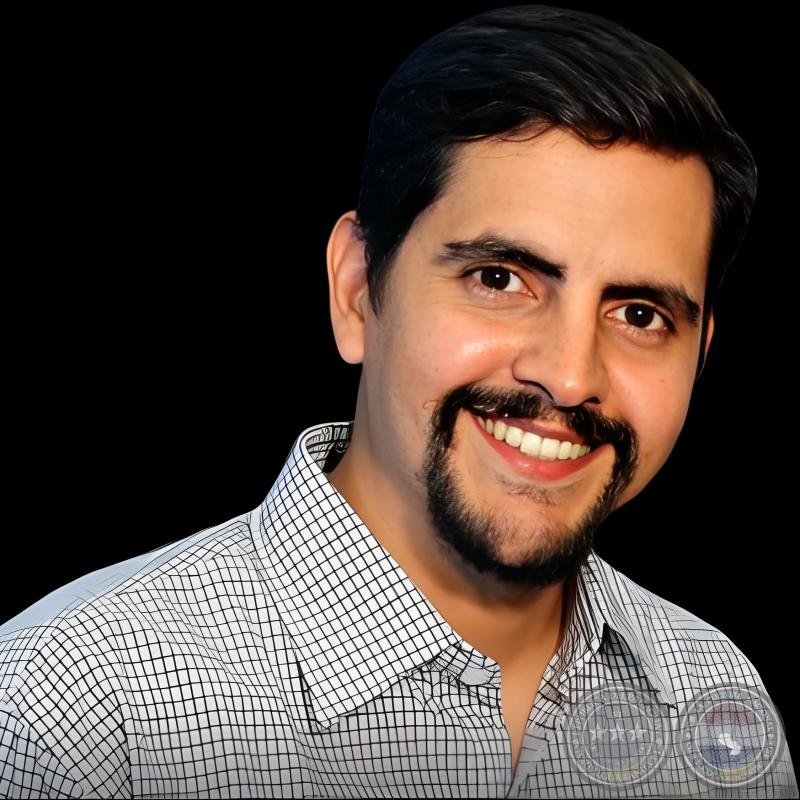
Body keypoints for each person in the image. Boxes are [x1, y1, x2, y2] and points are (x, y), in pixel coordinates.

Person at [1, 5, 796, 798]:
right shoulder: (71, 710)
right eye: (499, 279)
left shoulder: (713, 691)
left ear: (699, 354)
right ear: (357, 289)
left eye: (640, 315)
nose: (568, 375)